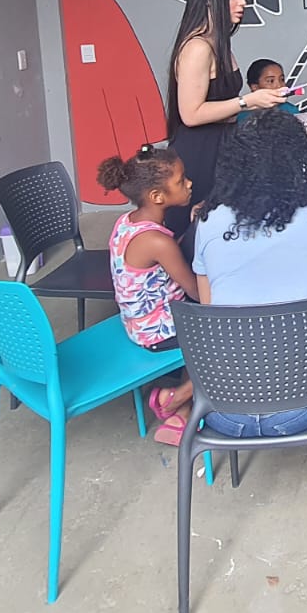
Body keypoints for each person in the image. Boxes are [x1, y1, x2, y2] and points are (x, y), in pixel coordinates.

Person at [191, 112, 307, 437]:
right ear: (302, 160)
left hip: (223, 409)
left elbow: (210, 310)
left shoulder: (209, 222)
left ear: (235, 164)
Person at [164, 0, 288, 232]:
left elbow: (220, 103)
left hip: (223, 149)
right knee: (197, 235)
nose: (242, 2)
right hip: (200, 155)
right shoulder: (198, 47)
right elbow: (191, 114)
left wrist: (257, 102)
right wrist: (247, 101)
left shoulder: (218, 43)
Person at [96, 144, 200, 447]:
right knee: (231, 335)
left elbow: (162, 262)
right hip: (157, 331)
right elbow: (195, 290)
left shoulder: (129, 222)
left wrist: (191, 228)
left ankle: (181, 415)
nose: (189, 183)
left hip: (137, 323)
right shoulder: (156, 241)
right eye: (180, 181)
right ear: (157, 196)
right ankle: (176, 398)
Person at [235, 58, 301, 122]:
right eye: (271, 81)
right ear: (255, 87)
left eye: (282, 79)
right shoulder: (243, 116)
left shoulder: (291, 110)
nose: (279, 85)